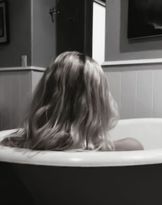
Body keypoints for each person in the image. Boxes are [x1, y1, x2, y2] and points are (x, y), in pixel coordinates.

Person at [1, 51, 143, 151]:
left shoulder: (11, 144)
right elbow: (136, 146)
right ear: (98, 103)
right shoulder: (125, 148)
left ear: (45, 95)